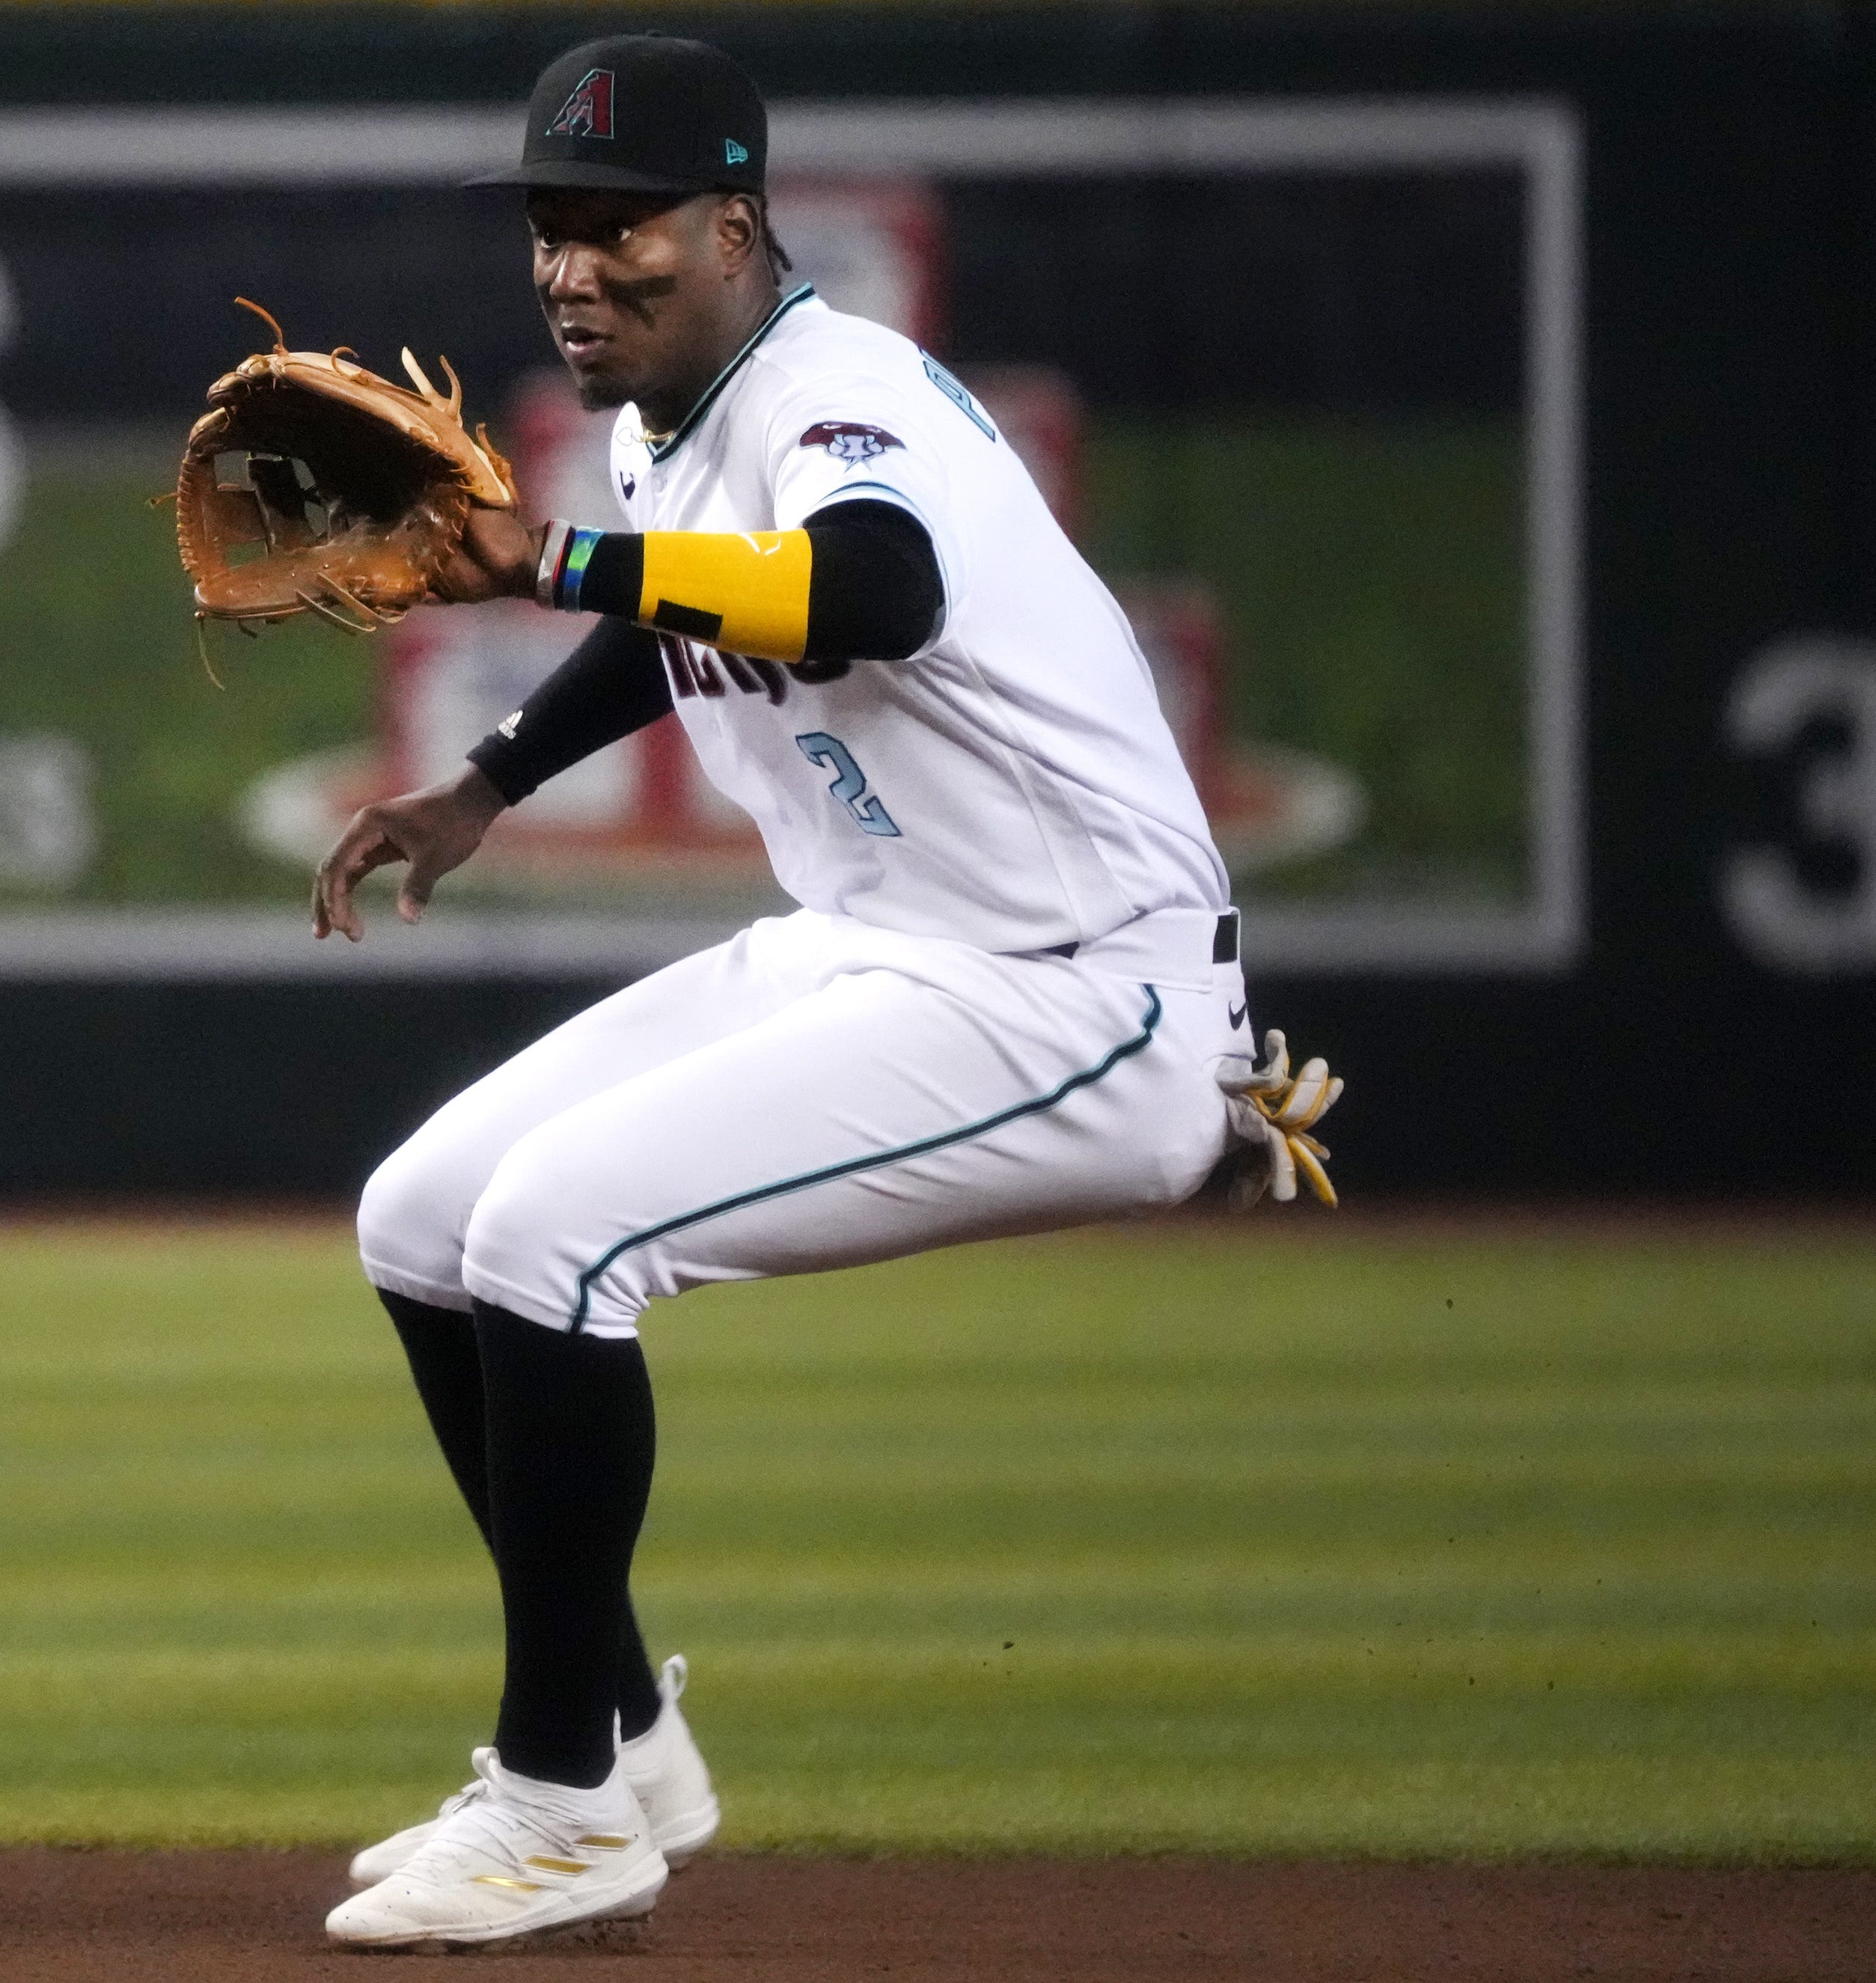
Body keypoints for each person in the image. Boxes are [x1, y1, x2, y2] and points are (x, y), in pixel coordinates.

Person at [314, 33, 1295, 1952]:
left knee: (553, 1234)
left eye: (622, 228)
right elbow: (685, 608)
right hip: (873, 944)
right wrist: (489, 780)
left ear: (740, 225)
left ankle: (556, 1805)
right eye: (549, 229)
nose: (573, 269)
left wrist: (550, 558)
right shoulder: (667, 424)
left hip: (1073, 989)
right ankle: (616, 1729)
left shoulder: (846, 395)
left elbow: (869, 593)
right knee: (421, 1214)